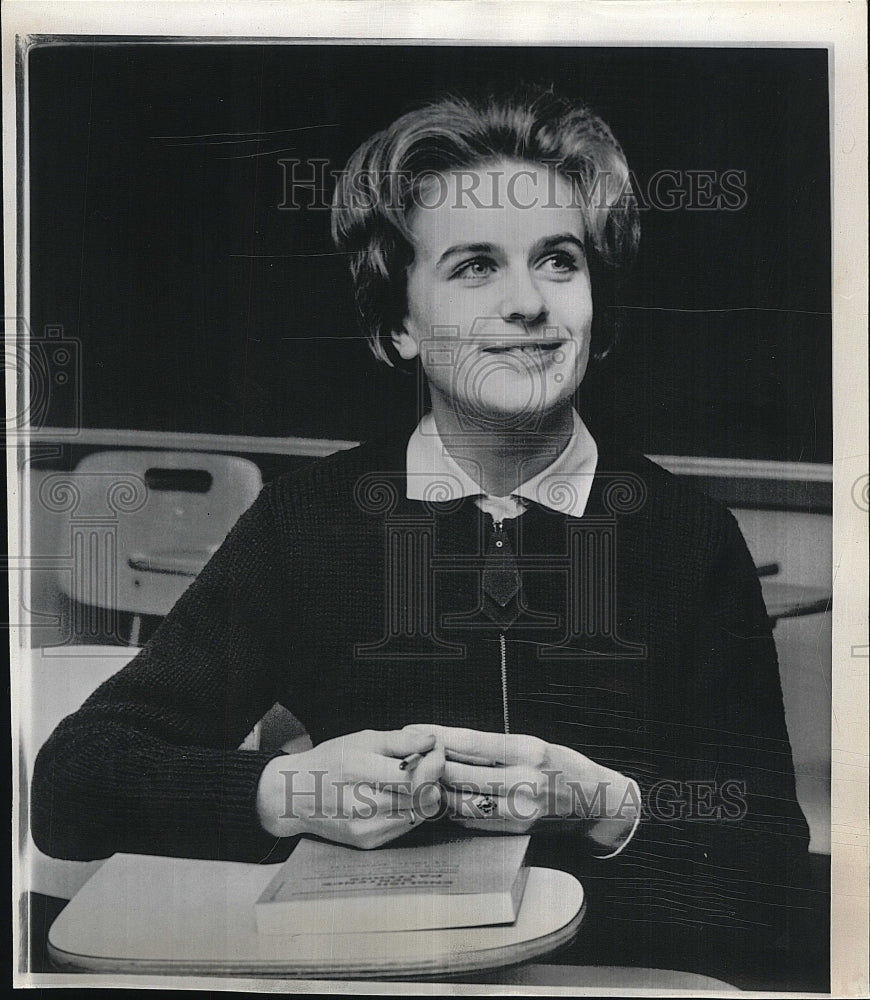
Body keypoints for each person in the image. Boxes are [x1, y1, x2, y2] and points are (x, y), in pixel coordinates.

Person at [32, 87, 814, 982]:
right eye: (475, 266)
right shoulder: (306, 524)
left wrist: (604, 805)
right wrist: (286, 793)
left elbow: (771, 880)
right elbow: (73, 786)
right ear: (399, 323)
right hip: (372, 974)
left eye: (558, 261)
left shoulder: (689, 539)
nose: (529, 303)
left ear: (598, 304)